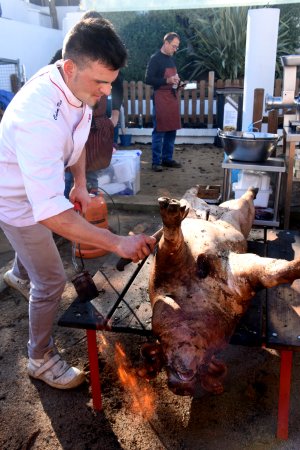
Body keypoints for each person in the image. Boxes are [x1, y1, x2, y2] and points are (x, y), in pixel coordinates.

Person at [0, 17, 156, 390]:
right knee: (52, 279)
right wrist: (118, 243)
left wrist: (82, 184)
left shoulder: (78, 87)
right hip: (16, 201)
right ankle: (40, 358)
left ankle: (19, 273)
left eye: (110, 82)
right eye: (100, 82)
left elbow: (79, 137)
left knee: (44, 242)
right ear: (70, 68)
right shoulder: (37, 117)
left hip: (39, 186)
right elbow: (50, 212)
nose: (105, 91)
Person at [145, 32, 182, 172]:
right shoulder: (155, 59)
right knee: (159, 130)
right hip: (160, 97)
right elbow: (148, 79)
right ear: (166, 43)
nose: (175, 49)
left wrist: (178, 83)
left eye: (177, 47)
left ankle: (167, 159)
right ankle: (156, 162)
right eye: (173, 46)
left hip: (172, 97)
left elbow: (173, 77)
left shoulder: (171, 59)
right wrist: (166, 80)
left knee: (172, 130)